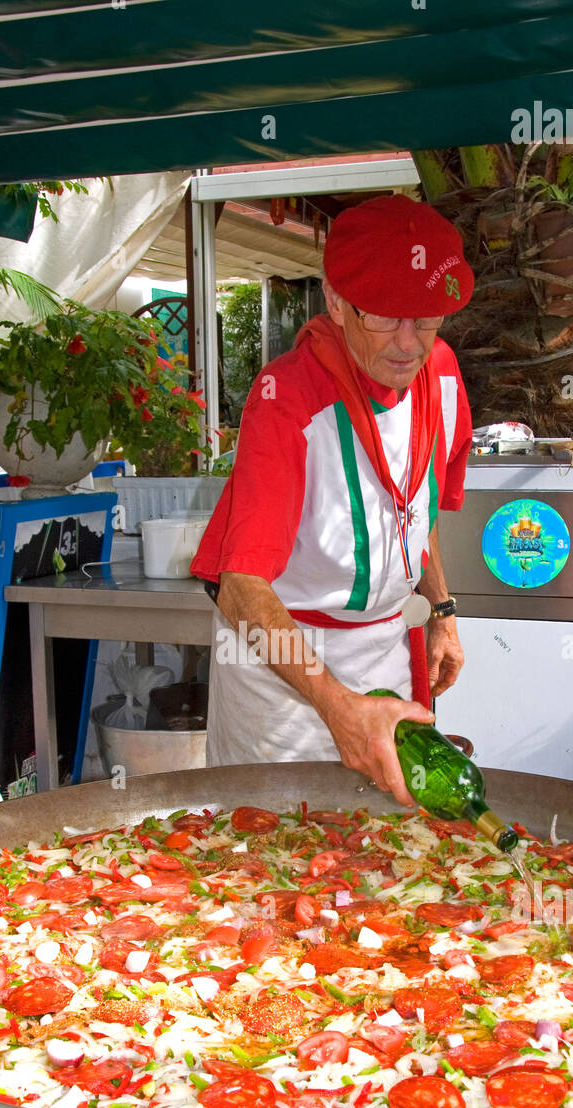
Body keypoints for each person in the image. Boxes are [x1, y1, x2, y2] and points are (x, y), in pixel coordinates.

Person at [191, 194, 474, 806]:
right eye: (384, 317)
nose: (408, 343)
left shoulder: (443, 376)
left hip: (381, 652)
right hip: (284, 667)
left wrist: (442, 609)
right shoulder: (286, 399)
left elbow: (411, 511)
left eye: (425, 320)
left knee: (388, 850)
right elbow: (242, 588)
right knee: (270, 854)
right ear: (337, 301)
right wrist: (337, 706)